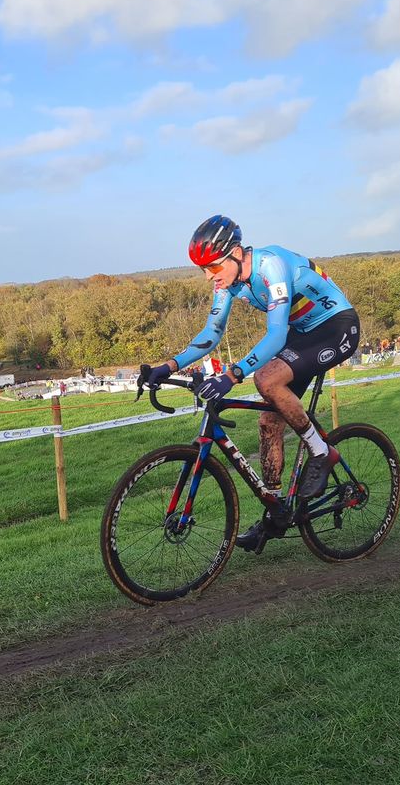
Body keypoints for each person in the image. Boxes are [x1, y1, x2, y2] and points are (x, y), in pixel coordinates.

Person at [140, 215, 360, 553]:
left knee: (265, 379)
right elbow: (212, 334)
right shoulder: (228, 284)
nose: (210, 276)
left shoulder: (270, 267)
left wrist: (233, 374)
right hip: (303, 336)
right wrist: (167, 366)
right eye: (204, 270)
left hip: (335, 327)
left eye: (213, 267)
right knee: (269, 421)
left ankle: (322, 452)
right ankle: (276, 511)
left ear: (236, 253)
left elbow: (276, 335)